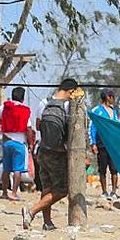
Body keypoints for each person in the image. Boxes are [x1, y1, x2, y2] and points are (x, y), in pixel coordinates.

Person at [23, 78, 78, 231]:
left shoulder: (44, 102)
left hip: (42, 150)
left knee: (47, 188)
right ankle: (32, 211)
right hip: (58, 153)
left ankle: (47, 222)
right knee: (62, 190)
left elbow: (38, 126)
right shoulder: (69, 105)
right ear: (72, 91)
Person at [0, 86, 31, 201]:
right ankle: (14, 193)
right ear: (23, 98)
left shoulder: (6, 107)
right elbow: (28, 128)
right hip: (19, 143)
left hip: (7, 142)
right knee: (17, 169)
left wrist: (2, 123)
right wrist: (30, 142)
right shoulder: (25, 110)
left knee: (6, 168)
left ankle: (4, 193)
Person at [89, 88, 120, 198]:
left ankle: (114, 192)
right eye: (112, 96)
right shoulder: (97, 110)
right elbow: (92, 127)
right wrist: (93, 143)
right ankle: (104, 191)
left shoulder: (114, 111)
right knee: (102, 169)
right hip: (101, 144)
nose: (113, 99)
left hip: (113, 145)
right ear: (107, 97)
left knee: (114, 169)